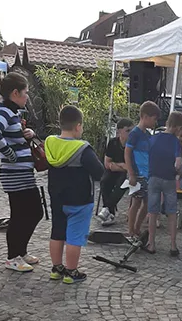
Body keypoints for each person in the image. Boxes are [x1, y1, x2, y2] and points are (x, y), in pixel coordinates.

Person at [0, 72, 43, 272]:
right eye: (25, 92)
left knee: (34, 212)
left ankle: (21, 251)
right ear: (15, 93)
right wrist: (9, 153)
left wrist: (29, 134)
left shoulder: (13, 113)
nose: (27, 96)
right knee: (22, 214)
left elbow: (11, 135)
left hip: (22, 173)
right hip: (14, 174)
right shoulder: (4, 112)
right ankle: (12, 257)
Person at [45, 106, 104, 284]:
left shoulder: (50, 143)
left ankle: (57, 268)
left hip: (57, 198)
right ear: (78, 126)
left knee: (57, 232)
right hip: (79, 200)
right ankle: (71, 271)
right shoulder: (83, 149)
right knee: (74, 236)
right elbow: (99, 172)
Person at [146, 111, 182, 255]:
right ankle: (173, 246)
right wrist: (179, 172)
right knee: (172, 212)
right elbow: (178, 164)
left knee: (153, 212)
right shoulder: (176, 143)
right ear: (178, 126)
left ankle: (151, 244)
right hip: (169, 179)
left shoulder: (153, 138)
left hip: (153, 178)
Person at [125, 101, 161, 239]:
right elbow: (127, 153)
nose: (155, 122)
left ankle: (137, 228)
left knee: (147, 203)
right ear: (145, 116)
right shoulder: (134, 134)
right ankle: (130, 230)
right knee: (136, 202)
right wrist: (131, 173)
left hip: (148, 175)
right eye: (154, 118)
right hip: (138, 174)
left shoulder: (148, 135)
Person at [97, 118, 133, 226]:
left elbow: (131, 167)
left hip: (127, 174)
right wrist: (122, 165)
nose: (130, 133)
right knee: (104, 181)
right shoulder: (113, 143)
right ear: (119, 131)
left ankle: (106, 209)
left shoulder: (134, 145)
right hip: (113, 171)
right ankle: (110, 212)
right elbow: (107, 163)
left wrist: (118, 166)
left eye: (132, 131)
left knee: (122, 183)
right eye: (128, 131)